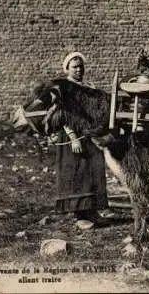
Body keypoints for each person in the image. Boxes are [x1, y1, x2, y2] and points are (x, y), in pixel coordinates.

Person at [54, 52, 110, 225]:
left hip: (89, 134)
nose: (79, 70)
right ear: (67, 69)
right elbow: (62, 115)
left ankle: (92, 211)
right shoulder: (64, 89)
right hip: (74, 136)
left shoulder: (89, 86)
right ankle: (79, 213)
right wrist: (73, 138)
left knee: (94, 170)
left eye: (81, 67)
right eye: (74, 67)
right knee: (78, 172)